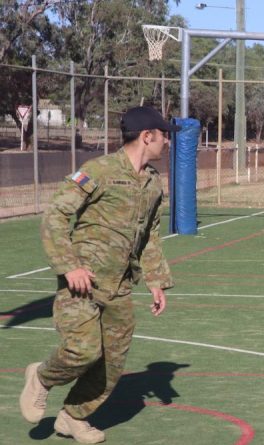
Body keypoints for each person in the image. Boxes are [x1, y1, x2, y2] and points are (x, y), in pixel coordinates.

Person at [19, 106, 176, 443]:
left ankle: (73, 417)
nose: (168, 142)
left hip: (119, 287)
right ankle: (42, 377)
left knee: (112, 363)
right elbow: (56, 216)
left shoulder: (152, 183)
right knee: (82, 350)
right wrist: (68, 265)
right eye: (164, 135)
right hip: (83, 283)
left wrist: (156, 280)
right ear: (147, 136)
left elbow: (149, 234)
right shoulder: (99, 170)